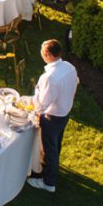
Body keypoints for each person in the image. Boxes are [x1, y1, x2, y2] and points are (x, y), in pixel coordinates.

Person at [28, 39, 79, 193]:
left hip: (52, 117)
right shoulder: (69, 67)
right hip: (65, 113)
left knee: (49, 149)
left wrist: (35, 95)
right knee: (56, 144)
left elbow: (42, 104)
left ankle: (49, 182)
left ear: (47, 55)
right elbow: (75, 83)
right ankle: (53, 168)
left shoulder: (50, 77)